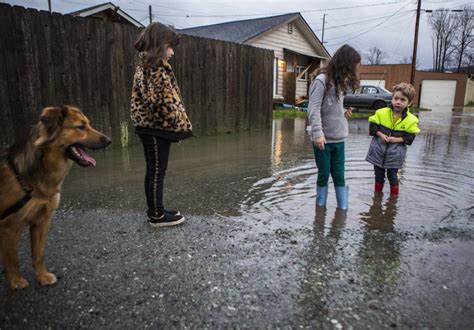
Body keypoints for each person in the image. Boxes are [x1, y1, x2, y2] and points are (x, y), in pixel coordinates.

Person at [130, 22, 193, 227]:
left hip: (152, 127)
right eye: (170, 47)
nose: (172, 52)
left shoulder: (148, 65)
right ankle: (156, 215)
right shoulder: (154, 67)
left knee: (154, 170)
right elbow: (158, 102)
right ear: (160, 45)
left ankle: (156, 209)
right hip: (155, 128)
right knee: (157, 171)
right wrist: (175, 122)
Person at [306, 44, 361, 210]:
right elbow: (313, 108)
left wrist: (342, 113)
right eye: (353, 66)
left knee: (339, 175)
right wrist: (317, 134)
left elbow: (331, 107)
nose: (354, 71)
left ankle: (342, 209)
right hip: (323, 139)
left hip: (339, 138)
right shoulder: (321, 81)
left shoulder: (340, 82)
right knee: (324, 174)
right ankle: (320, 208)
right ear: (345, 64)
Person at [366, 82, 420, 196]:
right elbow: (373, 127)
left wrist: (396, 140)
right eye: (396, 98)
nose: (398, 102)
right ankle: (377, 197)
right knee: (378, 177)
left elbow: (410, 138)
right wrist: (381, 135)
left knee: (393, 178)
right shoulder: (381, 113)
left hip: (395, 155)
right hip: (378, 152)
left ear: (409, 103)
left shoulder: (411, 120)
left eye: (403, 100)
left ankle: (393, 200)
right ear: (392, 99)